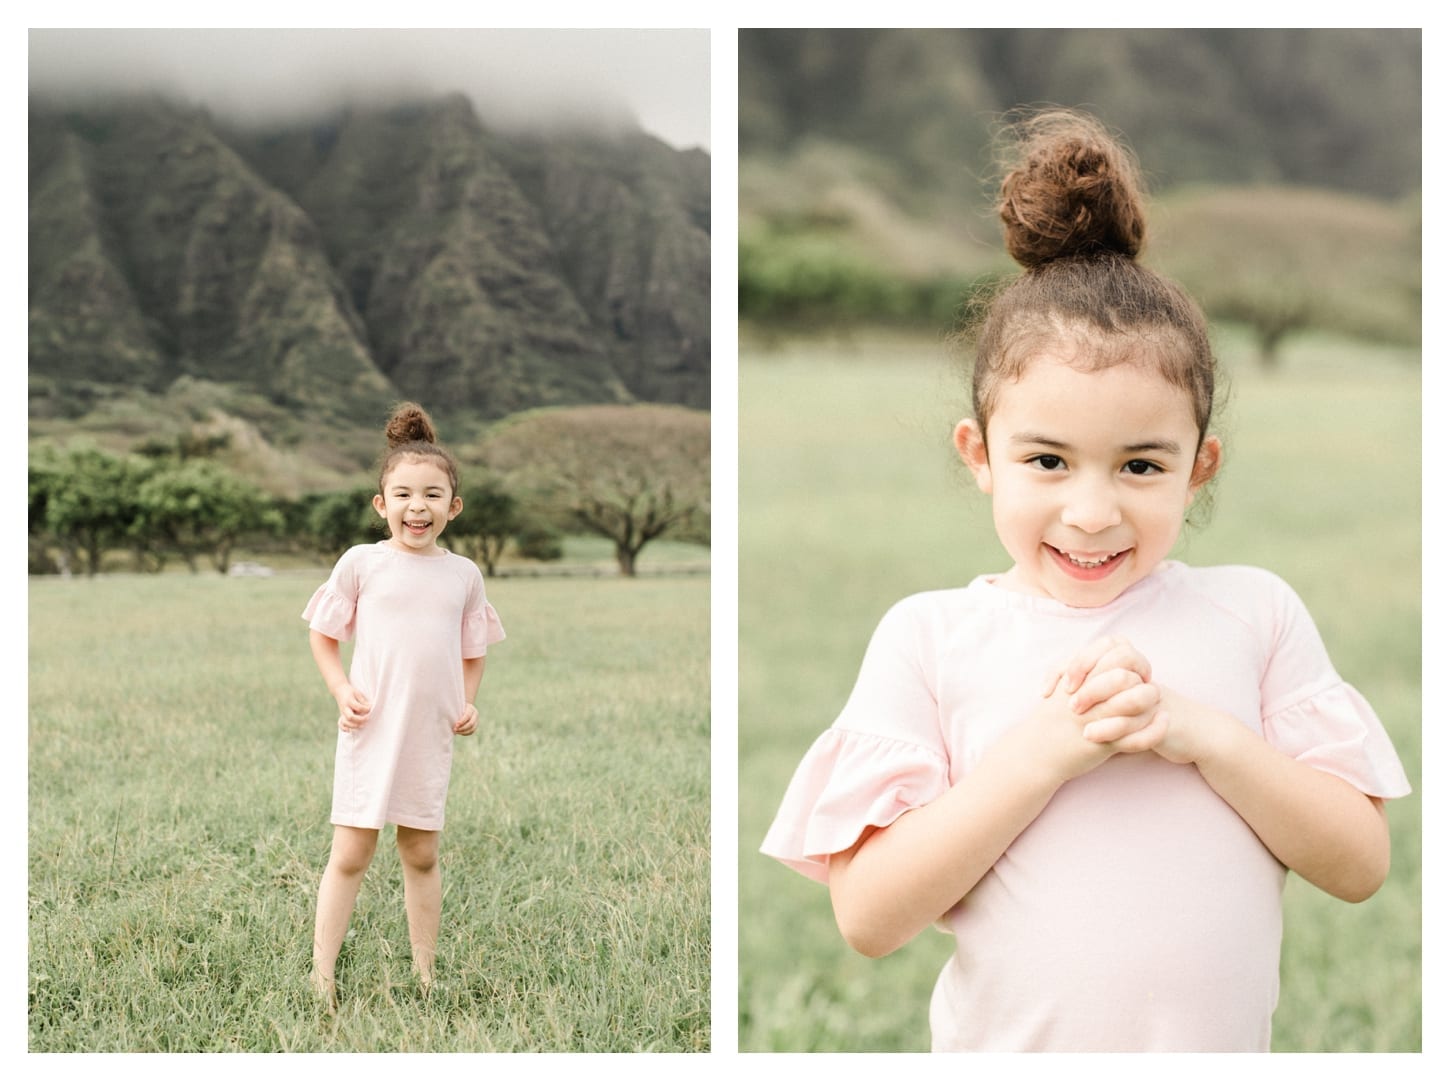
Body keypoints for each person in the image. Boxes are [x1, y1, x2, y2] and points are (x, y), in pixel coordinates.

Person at [759, 109, 1410, 1052]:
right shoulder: (932, 637)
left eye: (1142, 466)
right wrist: (1044, 751)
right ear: (980, 454)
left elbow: (1359, 863)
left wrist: (1201, 734)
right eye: (1049, 461)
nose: (1094, 510)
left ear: (1201, 466)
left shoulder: (1253, 613)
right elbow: (869, 916)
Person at [304, 402, 505, 1009]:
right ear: (381, 504)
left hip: (428, 733)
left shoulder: (464, 574)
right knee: (351, 852)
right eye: (404, 494)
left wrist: (468, 703)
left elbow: (473, 650)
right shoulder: (362, 563)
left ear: (453, 506)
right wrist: (342, 690)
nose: (418, 506)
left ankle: (424, 973)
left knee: (421, 852)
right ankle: (322, 974)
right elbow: (323, 633)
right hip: (369, 729)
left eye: (433, 495)